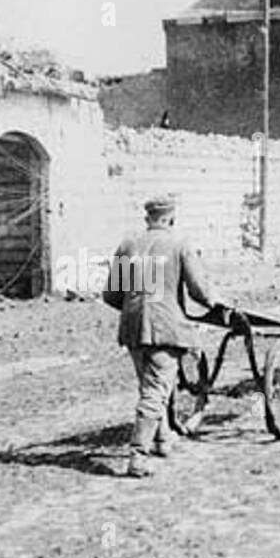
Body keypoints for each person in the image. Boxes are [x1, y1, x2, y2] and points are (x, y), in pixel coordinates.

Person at [102, 195, 221, 478]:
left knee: (150, 384)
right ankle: (137, 456)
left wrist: (136, 304)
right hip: (165, 328)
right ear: (171, 219)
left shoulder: (127, 244)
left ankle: (162, 439)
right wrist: (214, 301)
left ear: (148, 219)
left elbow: (111, 295)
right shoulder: (180, 244)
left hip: (132, 328)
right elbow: (198, 291)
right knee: (155, 392)